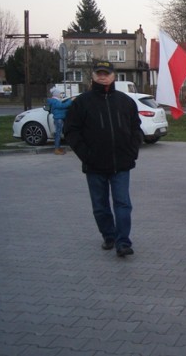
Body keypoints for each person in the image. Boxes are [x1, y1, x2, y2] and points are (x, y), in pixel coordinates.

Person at [64, 61, 142, 258]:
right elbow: (71, 131)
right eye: (98, 73)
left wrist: (132, 151)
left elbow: (136, 128)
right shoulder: (82, 102)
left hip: (121, 164)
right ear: (93, 76)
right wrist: (86, 154)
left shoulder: (125, 102)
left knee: (122, 203)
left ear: (113, 76)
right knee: (100, 206)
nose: (102, 76)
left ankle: (123, 242)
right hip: (94, 165)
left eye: (106, 73)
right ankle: (109, 236)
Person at [47, 87, 74, 155]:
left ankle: (58, 148)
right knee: (58, 134)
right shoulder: (54, 101)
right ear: (56, 94)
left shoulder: (57, 100)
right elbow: (62, 106)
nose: (60, 94)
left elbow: (62, 107)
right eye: (59, 93)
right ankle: (56, 149)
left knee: (60, 133)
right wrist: (71, 100)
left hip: (60, 118)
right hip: (58, 119)